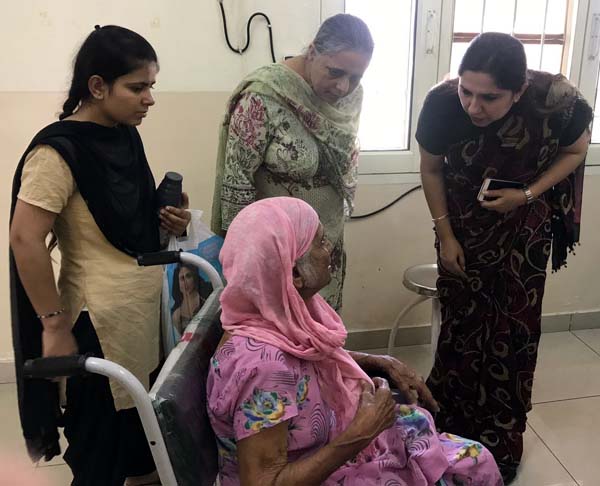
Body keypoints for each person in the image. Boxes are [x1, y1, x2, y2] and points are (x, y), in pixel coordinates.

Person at [206, 197, 502, 486]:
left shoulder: (271, 316)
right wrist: (361, 433)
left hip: (327, 445)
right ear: (294, 273)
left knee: (470, 458)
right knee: (473, 465)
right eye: (320, 242)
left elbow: (299, 366)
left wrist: (377, 361)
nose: (330, 248)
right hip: (321, 465)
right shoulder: (263, 368)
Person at [9, 25, 191, 486]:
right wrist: (54, 326)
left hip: (139, 317)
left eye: (151, 86)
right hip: (97, 323)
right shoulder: (57, 152)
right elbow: (25, 239)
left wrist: (170, 219)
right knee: (99, 457)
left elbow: (127, 221)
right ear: (97, 86)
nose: (149, 99)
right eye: (137, 87)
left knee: (143, 443)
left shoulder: (124, 134)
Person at [416, 32, 592, 482]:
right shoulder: (442, 106)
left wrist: (528, 194)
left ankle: (501, 440)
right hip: (462, 229)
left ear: (519, 90)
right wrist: (446, 236)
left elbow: (576, 150)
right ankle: (448, 431)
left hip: (524, 234)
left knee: (514, 331)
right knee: (460, 326)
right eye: (466, 91)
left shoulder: (555, 106)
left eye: (489, 97)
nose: (474, 107)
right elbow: (431, 169)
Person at [211, 13, 373, 310]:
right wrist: (246, 261)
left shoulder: (351, 97)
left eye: (355, 77)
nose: (343, 87)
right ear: (312, 52)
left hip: (326, 245)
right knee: (277, 329)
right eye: (335, 72)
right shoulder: (264, 96)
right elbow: (237, 184)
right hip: (275, 252)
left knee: (322, 326)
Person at [171, 263, 211, 335]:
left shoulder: (208, 299)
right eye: (182, 278)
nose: (185, 282)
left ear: (194, 278)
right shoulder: (176, 315)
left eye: (188, 276)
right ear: (178, 283)